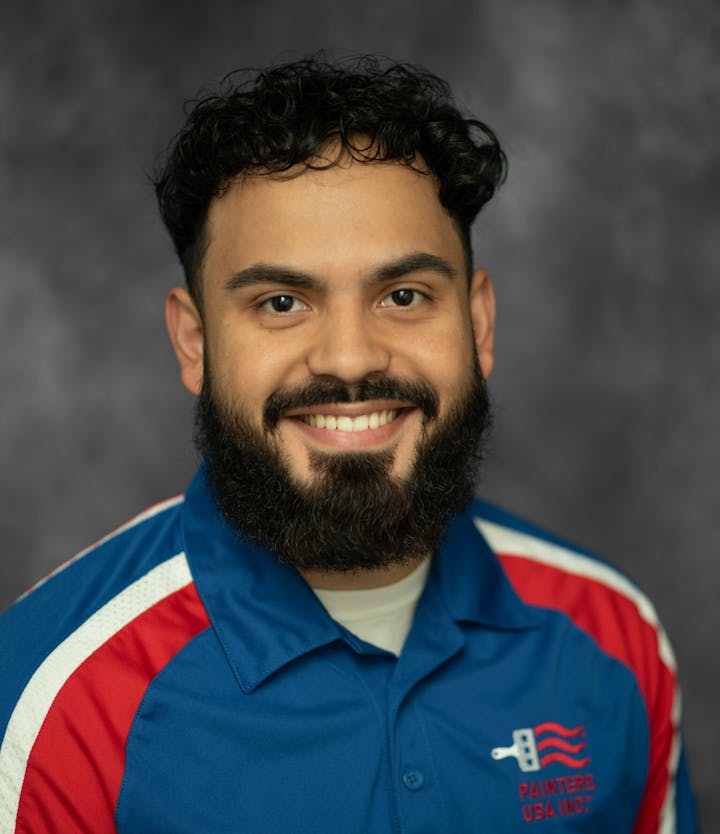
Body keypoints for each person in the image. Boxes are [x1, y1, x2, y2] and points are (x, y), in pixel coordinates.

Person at [0, 55, 698, 833]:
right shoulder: (51, 699)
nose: (350, 358)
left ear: (478, 323)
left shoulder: (612, 637)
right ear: (194, 343)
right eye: (282, 302)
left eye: (403, 295)